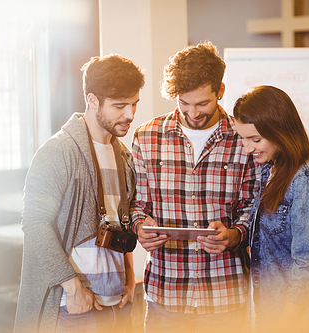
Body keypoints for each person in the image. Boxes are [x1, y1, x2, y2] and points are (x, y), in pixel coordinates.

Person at [130, 41, 260, 333]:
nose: (193, 112)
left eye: (202, 103)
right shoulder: (147, 137)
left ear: (220, 91)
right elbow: (137, 205)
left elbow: (253, 207)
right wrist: (140, 227)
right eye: (184, 103)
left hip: (224, 294)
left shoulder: (244, 138)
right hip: (166, 294)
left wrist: (234, 235)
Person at [13, 54, 145, 333]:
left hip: (117, 303)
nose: (130, 115)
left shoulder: (124, 155)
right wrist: (72, 287)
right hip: (72, 306)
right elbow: (34, 224)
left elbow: (121, 221)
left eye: (134, 104)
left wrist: (130, 278)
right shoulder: (57, 152)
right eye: (120, 106)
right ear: (92, 100)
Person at [232, 85, 309, 332]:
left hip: (294, 321)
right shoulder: (270, 169)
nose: (248, 148)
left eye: (255, 140)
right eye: (243, 139)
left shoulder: (303, 178)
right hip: (269, 313)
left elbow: (308, 266)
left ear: (280, 131)